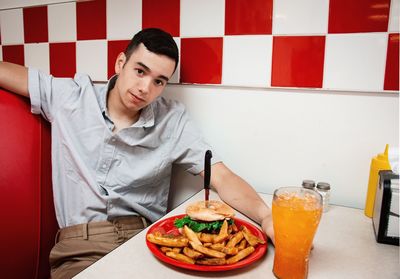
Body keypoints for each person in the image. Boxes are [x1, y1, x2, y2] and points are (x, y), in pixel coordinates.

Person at [0, 28, 274, 278]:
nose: (145, 88)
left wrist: (266, 216)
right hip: (81, 249)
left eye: (159, 81)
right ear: (121, 63)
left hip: (148, 243)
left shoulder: (172, 119)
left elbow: (221, 177)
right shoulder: (70, 97)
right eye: (140, 71)